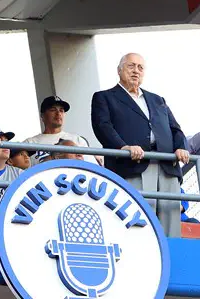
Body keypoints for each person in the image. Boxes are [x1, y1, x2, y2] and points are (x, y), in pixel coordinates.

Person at [91, 52, 189, 238]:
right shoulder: (104, 97)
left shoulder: (157, 99)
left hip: (167, 165)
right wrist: (122, 147)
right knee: (138, 221)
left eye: (140, 67)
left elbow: (175, 128)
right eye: (131, 66)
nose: (136, 71)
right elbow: (102, 126)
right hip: (132, 165)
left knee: (171, 223)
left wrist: (180, 147)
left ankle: (169, 263)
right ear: (119, 70)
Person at [24, 95, 102, 166]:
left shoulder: (77, 140)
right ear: (42, 115)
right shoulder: (30, 143)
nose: (58, 113)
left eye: (61, 110)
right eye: (53, 110)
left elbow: (91, 167)